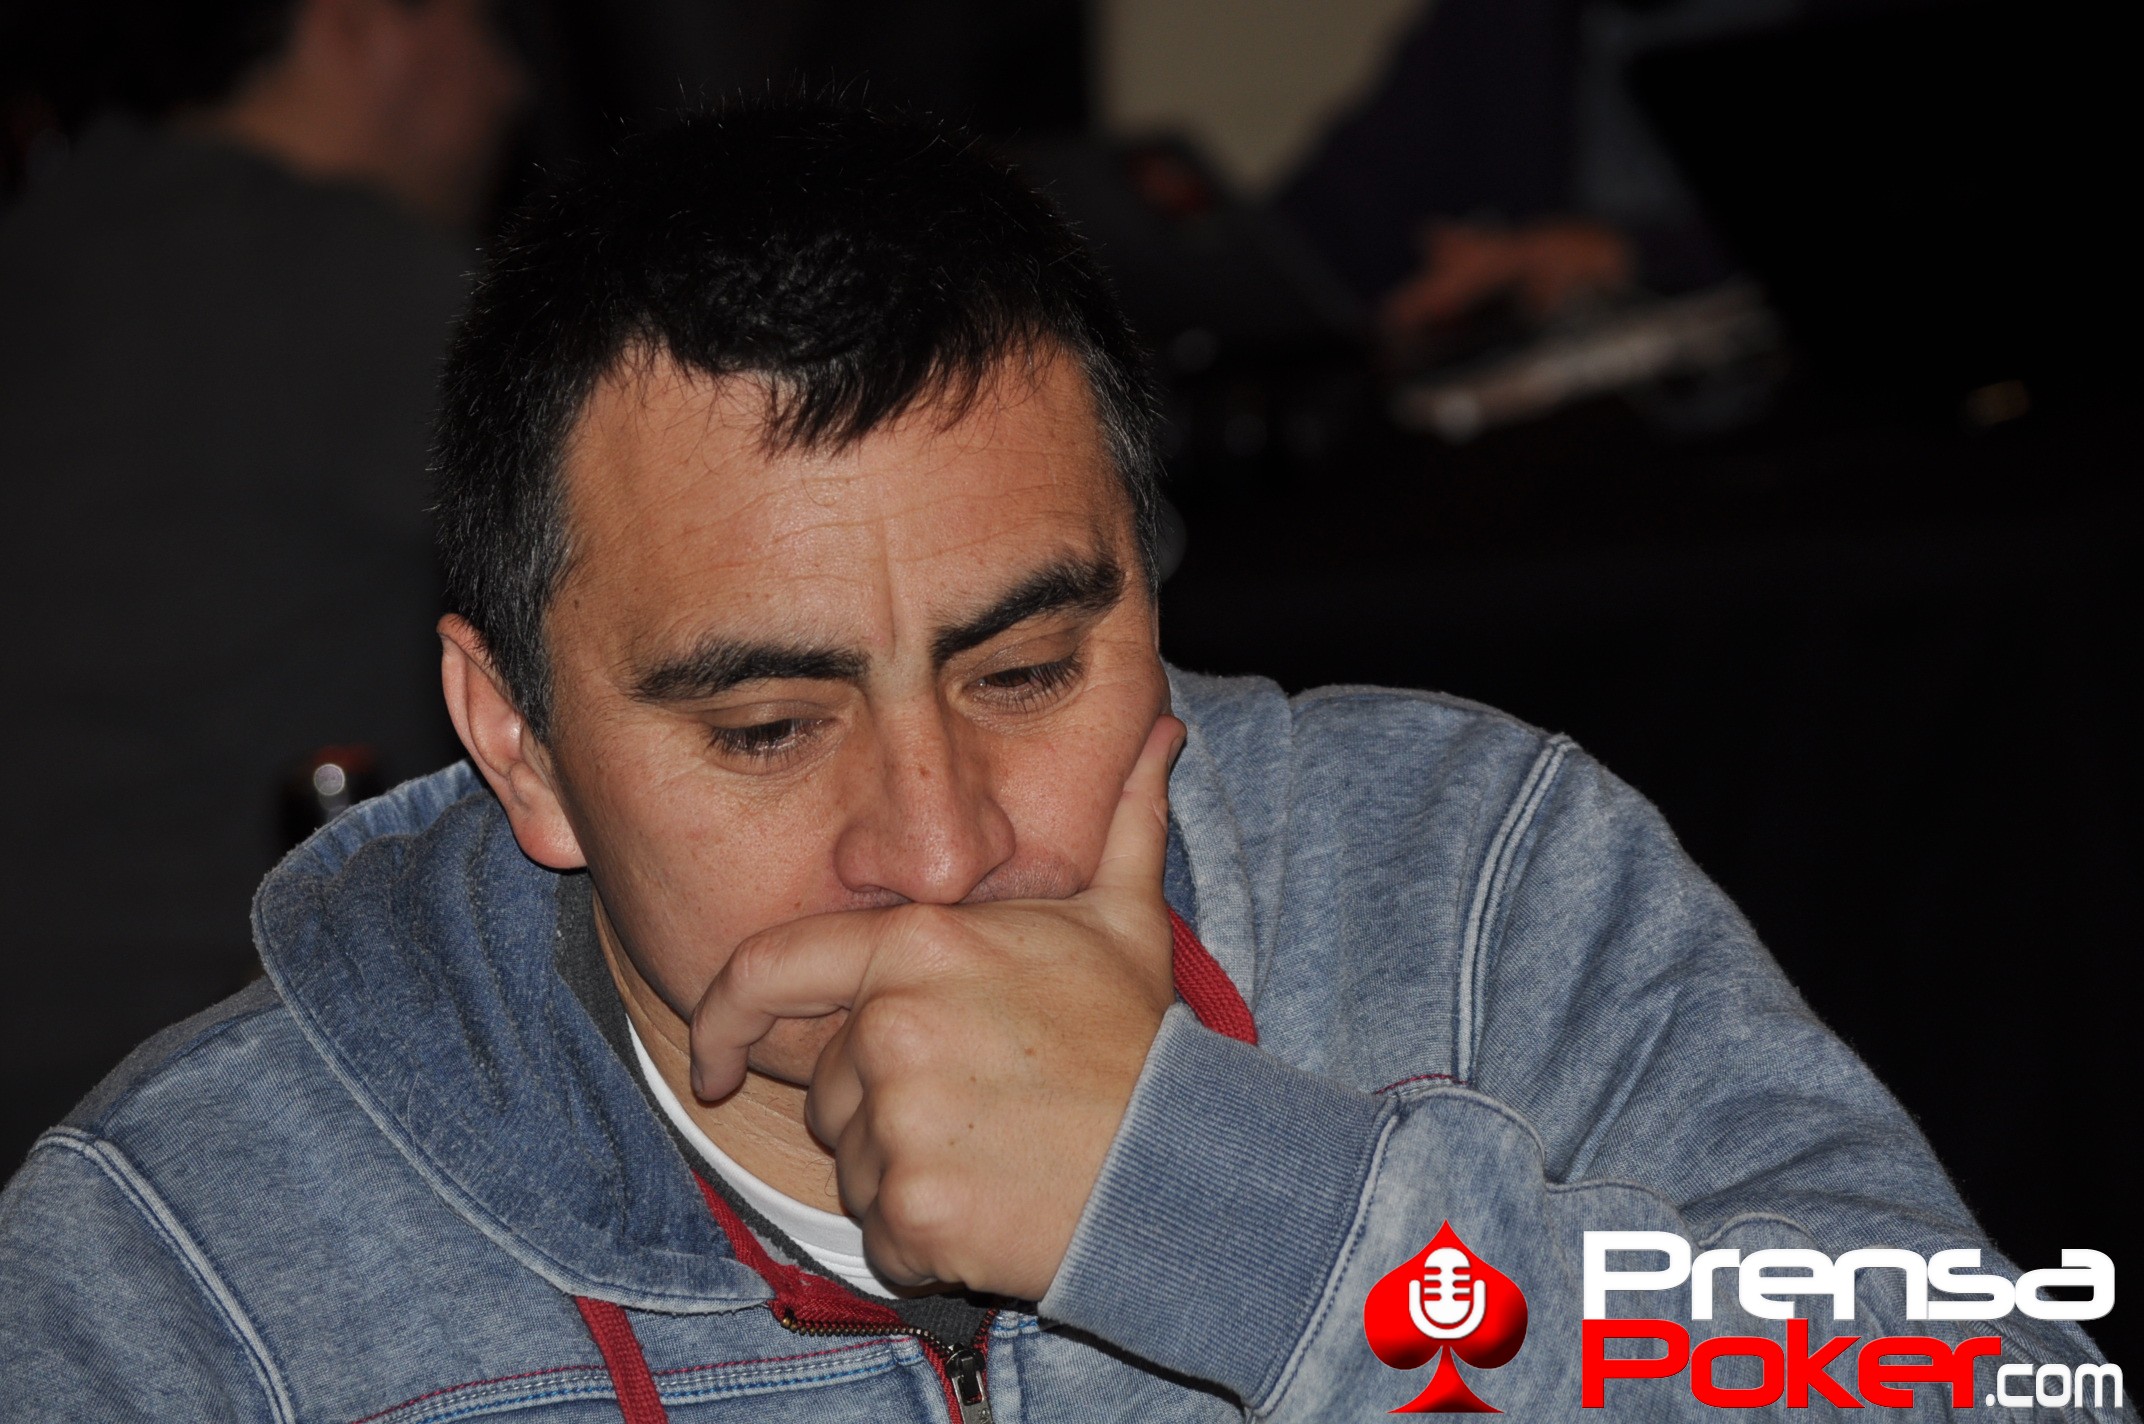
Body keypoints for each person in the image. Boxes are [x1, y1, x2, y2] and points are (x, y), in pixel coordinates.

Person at [0, 102, 2121, 1422]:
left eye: (1024, 669)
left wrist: (1228, 1211)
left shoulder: (1475, 891)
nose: (937, 849)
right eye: (765, 726)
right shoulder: (183, 1266)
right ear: (517, 741)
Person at [0, 0, 524, 1153]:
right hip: (226, 1087)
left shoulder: (47, 242)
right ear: (365, 21)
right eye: (485, 29)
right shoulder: (347, 281)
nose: (506, 87)